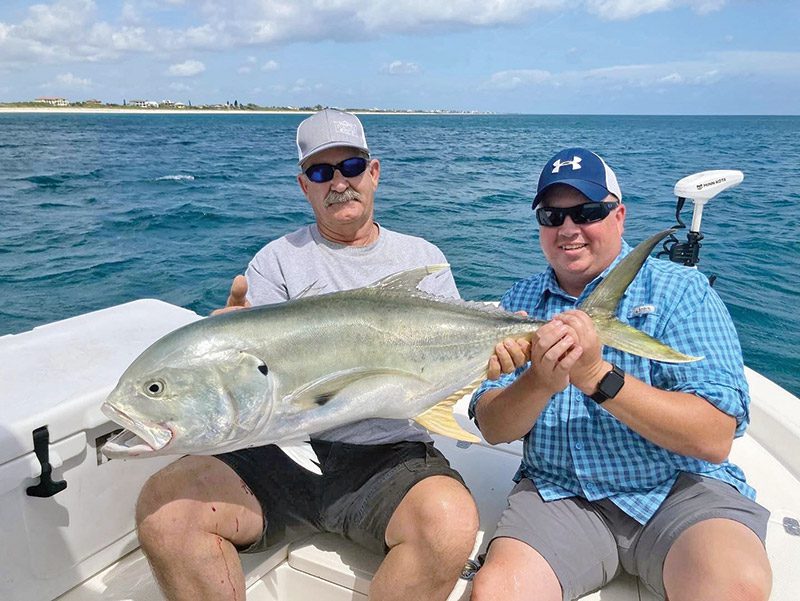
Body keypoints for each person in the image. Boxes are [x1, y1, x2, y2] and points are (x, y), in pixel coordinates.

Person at [135, 109, 486, 601]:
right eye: (322, 172)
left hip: (388, 457)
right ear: (305, 185)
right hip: (278, 451)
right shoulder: (276, 260)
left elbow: (448, 371)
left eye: (352, 167)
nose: (339, 182)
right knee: (165, 506)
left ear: (375, 172)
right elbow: (262, 385)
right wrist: (225, 348)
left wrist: (502, 353)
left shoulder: (420, 258)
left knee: (449, 526)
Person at [469, 148, 772, 601]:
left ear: (619, 216)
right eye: (552, 215)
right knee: (497, 593)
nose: (568, 229)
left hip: (677, 489)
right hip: (559, 493)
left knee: (736, 586)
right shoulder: (519, 303)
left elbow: (713, 438)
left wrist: (595, 375)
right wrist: (539, 382)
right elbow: (494, 428)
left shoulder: (680, 292)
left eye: (587, 212)